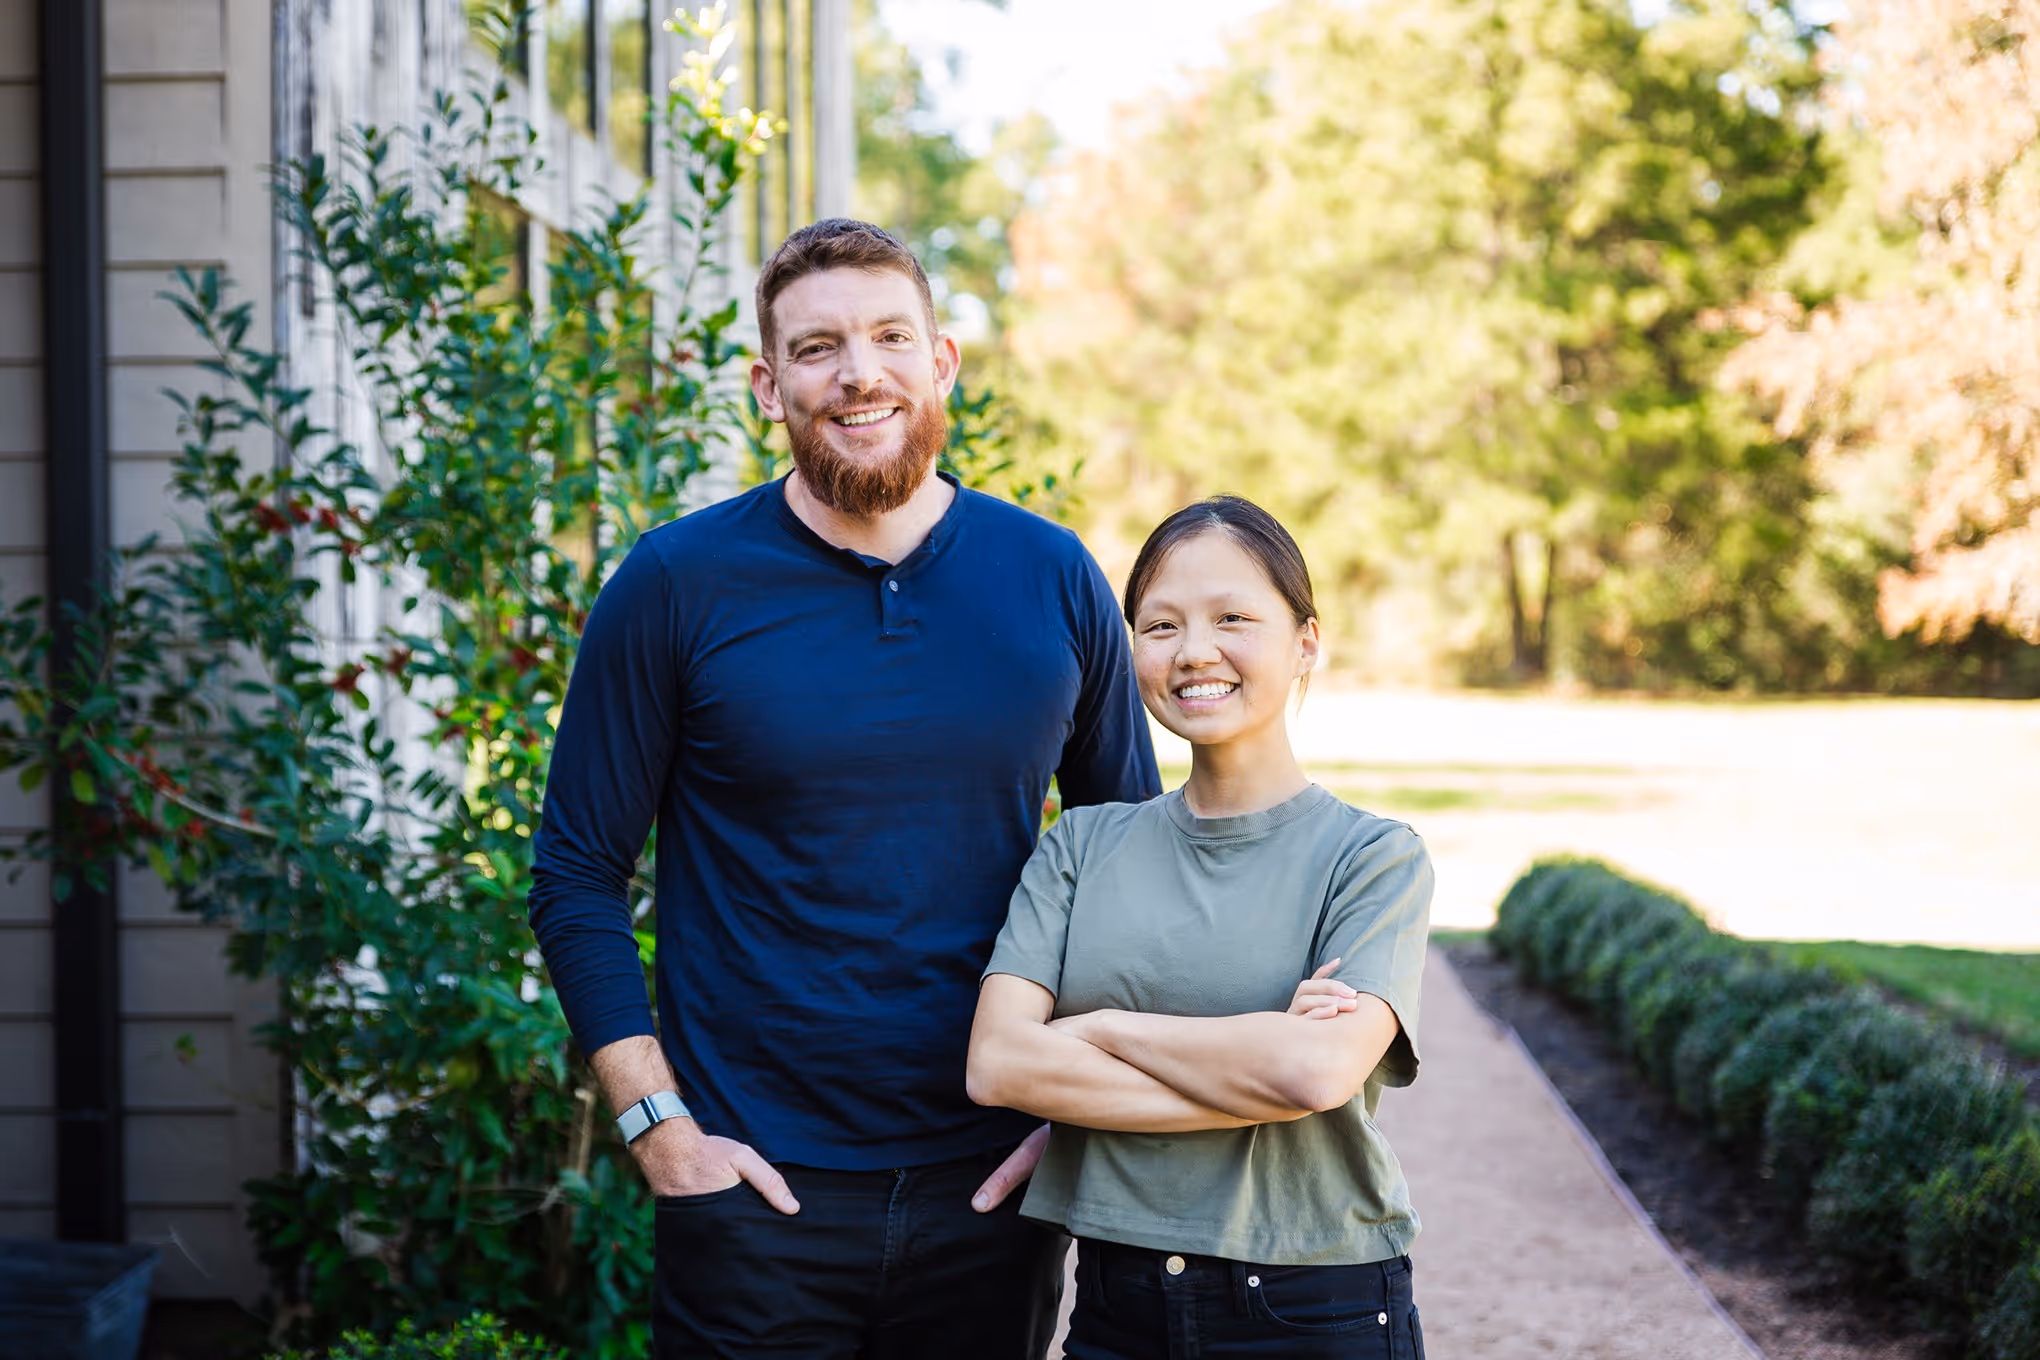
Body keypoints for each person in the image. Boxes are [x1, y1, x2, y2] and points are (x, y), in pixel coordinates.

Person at [527, 218, 1161, 1359]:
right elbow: (575, 873)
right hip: (750, 1193)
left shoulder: (1052, 575)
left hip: (995, 1191)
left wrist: (1079, 1122)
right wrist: (659, 1128)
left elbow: (1136, 867)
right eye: (817, 349)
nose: (859, 372)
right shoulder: (675, 584)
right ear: (768, 386)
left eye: (888, 337)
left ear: (942, 362)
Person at [967, 495, 1433, 1360]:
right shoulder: (1081, 844)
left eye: (1233, 618)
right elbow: (999, 1065)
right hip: (1117, 1304)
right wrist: (1251, 1064)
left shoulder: (1374, 859)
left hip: (1313, 1307)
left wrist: (1098, 1034)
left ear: (1306, 642)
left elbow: (1315, 1070)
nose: (1195, 653)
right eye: (1161, 625)